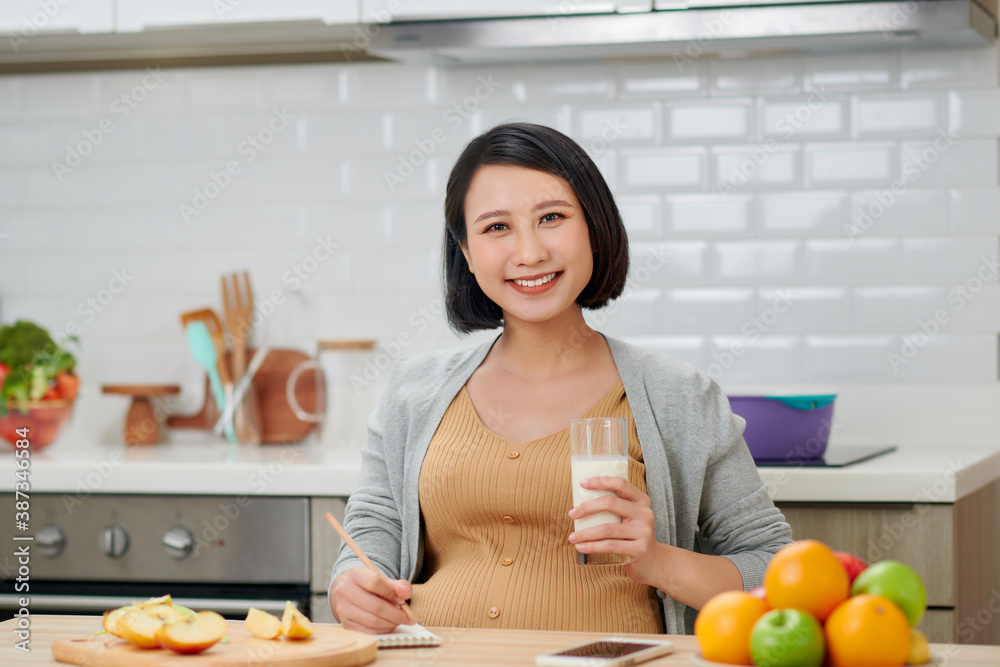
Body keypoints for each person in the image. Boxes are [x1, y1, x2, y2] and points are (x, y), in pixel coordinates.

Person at [329, 122, 792, 635]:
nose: (529, 253)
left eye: (551, 218)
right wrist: (350, 583)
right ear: (466, 252)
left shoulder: (679, 397)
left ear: (593, 226)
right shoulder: (413, 389)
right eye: (496, 227)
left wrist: (658, 561)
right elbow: (375, 527)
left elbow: (775, 569)